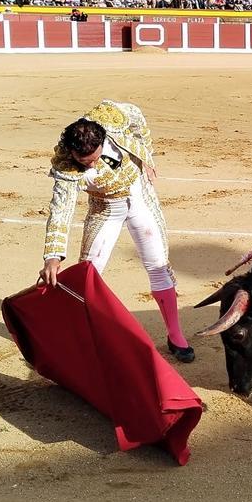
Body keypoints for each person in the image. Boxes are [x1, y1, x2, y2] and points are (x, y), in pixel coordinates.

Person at [38, 100, 194, 363]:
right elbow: (61, 209)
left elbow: (137, 116)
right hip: (105, 210)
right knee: (88, 275)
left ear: (103, 140)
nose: (89, 166)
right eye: (83, 162)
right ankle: (84, 336)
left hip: (140, 200)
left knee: (158, 266)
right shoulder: (66, 165)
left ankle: (175, 334)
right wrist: (53, 255)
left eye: (94, 158)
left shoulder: (110, 118)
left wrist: (146, 155)